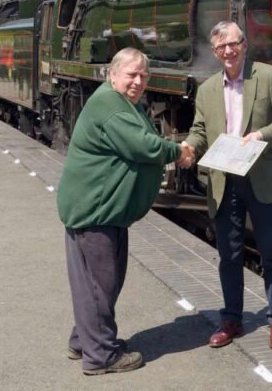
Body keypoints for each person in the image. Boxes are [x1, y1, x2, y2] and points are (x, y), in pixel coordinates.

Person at [57, 47, 194, 375]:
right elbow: (143, 145)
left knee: (98, 281)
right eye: (131, 74)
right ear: (112, 74)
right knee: (100, 283)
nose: (138, 81)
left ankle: (84, 340)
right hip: (96, 211)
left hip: (103, 210)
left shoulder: (120, 102)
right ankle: (100, 356)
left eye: (143, 76)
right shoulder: (110, 106)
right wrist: (179, 151)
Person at [184, 21, 272, 350]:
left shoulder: (267, 76)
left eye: (233, 44)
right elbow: (200, 130)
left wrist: (262, 135)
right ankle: (231, 319)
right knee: (229, 255)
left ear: (245, 44)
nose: (228, 51)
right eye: (221, 48)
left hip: (263, 177)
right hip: (225, 180)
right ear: (216, 52)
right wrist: (190, 147)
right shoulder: (207, 89)